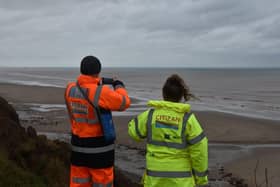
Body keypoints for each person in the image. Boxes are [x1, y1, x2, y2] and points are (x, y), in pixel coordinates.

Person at [128, 74, 208, 187]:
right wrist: (201, 177)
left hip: (154, 178)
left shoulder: (150, 115)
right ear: (181, 96)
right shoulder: (188, 119)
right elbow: (200, 149)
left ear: (163, 94)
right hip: (181, 180)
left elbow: (134, 133)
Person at [65, 55, 131, 187]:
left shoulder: (70, 89)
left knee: (79, 183)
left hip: (78, 148)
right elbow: (124, 102)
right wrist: (119, 85)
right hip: (99, 151)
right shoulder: (101, 93)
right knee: (103, 183)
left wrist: (98, 80)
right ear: (98, 71)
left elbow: (85, 84)